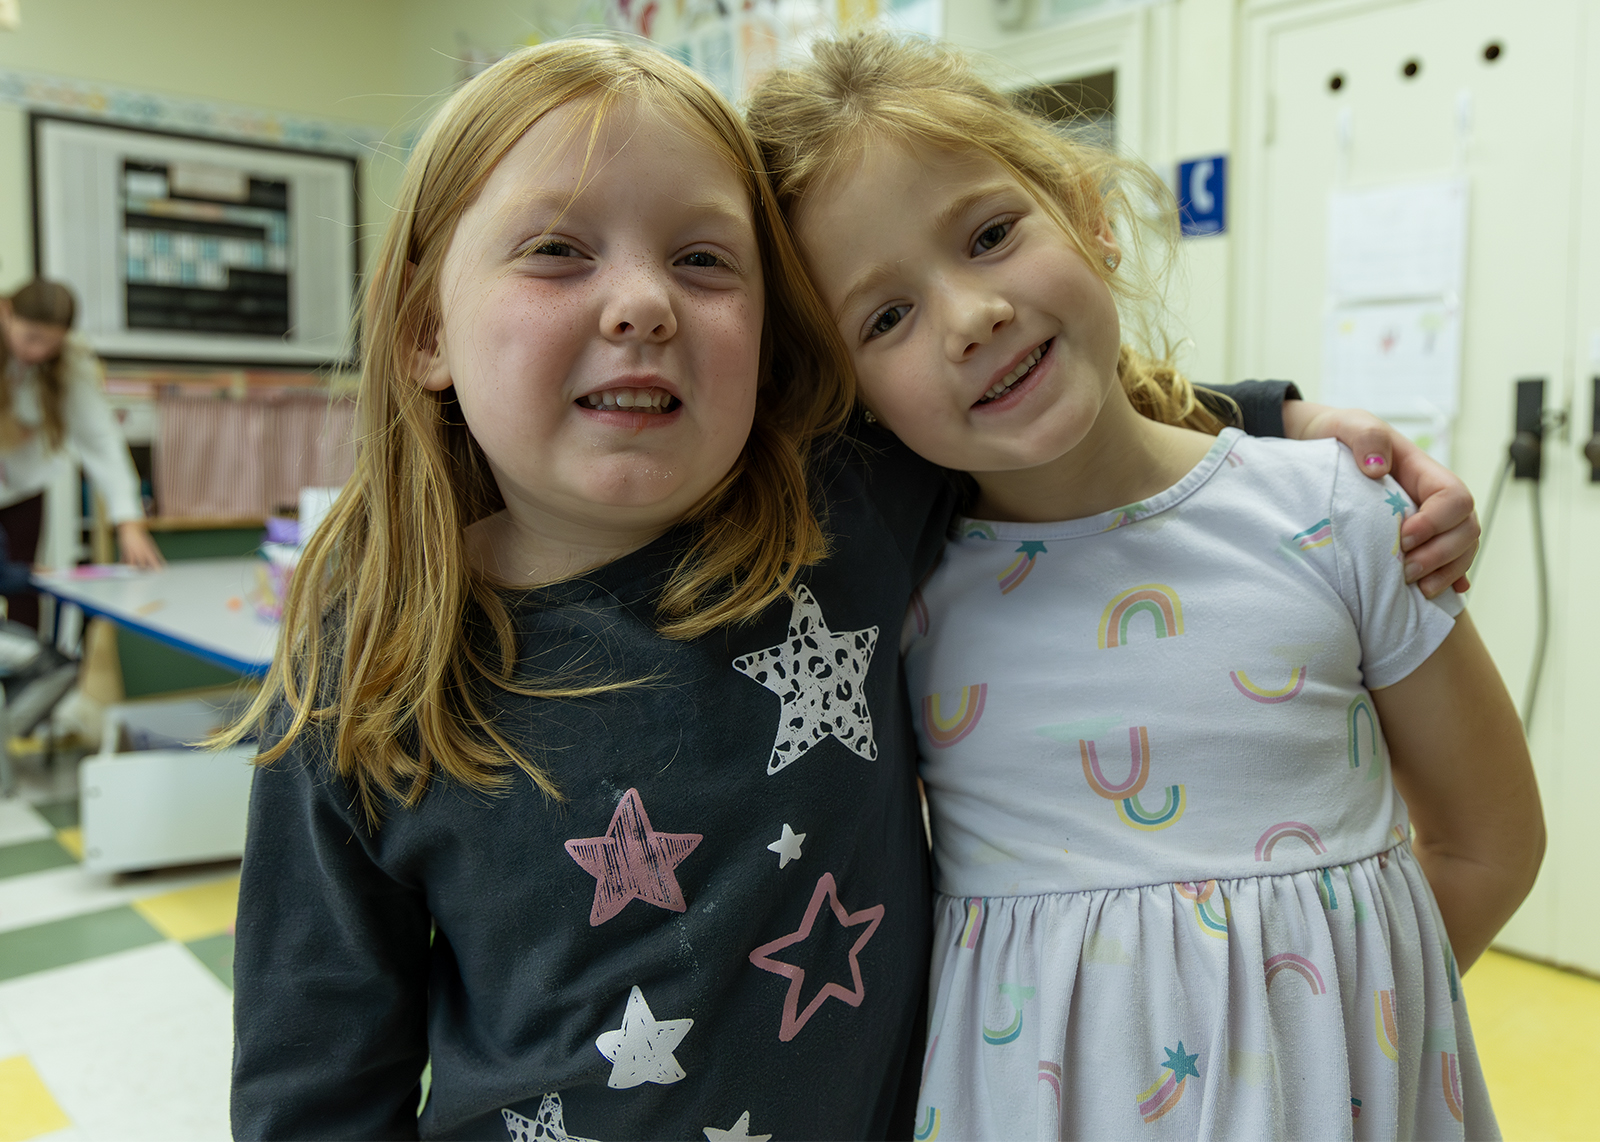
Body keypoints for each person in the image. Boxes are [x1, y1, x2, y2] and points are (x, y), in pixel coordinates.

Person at [225, 38, 1481, 1141]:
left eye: (704, 259)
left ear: (771, 343)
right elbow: (315, 1081)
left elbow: (1048, 413)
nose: (644, 303)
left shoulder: (846, 511)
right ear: (422, 332)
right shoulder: (364, 680)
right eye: (556, 251)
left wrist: (1286, 424)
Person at [747, 31, 1541, 1140]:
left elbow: (1490, 839)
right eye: (886, 317)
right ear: (849, 395)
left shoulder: (1340, 511)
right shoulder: (897, 604)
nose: (971, 316)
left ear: (1086, 211)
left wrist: (1320, 1045)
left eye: (989, 235)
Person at [0, 280, 164, 626]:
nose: (40, 352)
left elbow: (100, 440)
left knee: (25, 587)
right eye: (31, 338)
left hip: (22, 492)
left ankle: (31, 675)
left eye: (52, 343)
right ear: (6, 312)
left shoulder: (69, 364)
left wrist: (128, 521)